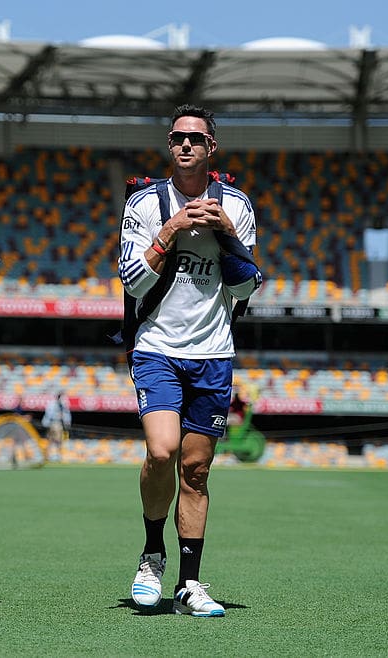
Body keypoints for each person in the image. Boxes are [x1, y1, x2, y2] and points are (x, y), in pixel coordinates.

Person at [118, 104, 260, 617]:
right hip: (157, 347)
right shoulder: (143, 203)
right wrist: (173, 228)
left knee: (195, 471)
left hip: (213, 353)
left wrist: (227, 234)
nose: (185, 145)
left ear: (211, 148)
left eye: (196, 139)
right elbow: (133, 281)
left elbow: (246, 286)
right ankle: (151, 552)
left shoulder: (238, 205)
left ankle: (190, 583)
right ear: (169, 144)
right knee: (162, 452)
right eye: (177, 137)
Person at [42, 390, 71, 462]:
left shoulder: (63, 404)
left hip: (57, 424)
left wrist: (67, 422)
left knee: (57, 441)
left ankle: (57, 456)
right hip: (54, 423)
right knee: (52, 440)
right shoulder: (53, 404)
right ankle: (48, 456)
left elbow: (66, 414)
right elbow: (48, 414)